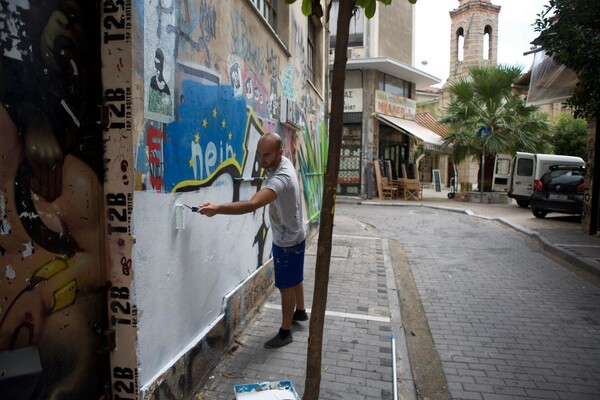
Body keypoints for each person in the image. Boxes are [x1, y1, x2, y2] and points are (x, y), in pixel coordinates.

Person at [199, 132, 308, 348]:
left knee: (286, 286)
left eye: (266, 155)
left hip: (287, 241)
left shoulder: (281, 178)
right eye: (259, 154)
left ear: (280, 152)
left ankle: (285, 332)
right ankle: (301, 312)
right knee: (295, 276)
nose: (261, 160)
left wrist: (217, 208)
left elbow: (251, 205)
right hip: (294, 233)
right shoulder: (281, 163)